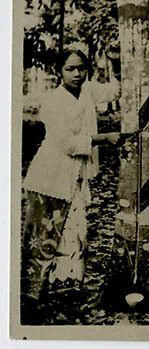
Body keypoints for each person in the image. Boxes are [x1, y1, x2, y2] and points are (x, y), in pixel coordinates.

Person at [21, 47, 120, 324]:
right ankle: (31, 301)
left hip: (76, 177)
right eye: (70, 69)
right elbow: (65, 142)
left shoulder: (87, 91)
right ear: (59, 72)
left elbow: (114, 90)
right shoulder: (53, 101)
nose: (77, 74)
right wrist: (104, 138)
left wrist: (113, 61)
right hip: (49, 177)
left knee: (76, 234)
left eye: (81, 68)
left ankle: (67, 293)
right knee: (44, 239)